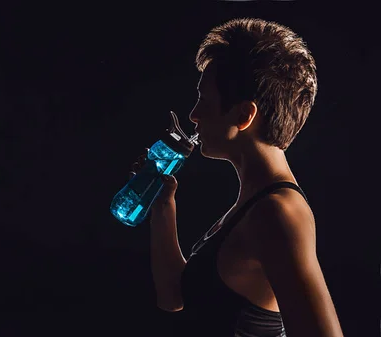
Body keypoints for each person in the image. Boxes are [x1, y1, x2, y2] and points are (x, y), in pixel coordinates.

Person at [130, 18, 344, 336]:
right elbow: (173, 296)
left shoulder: (279, 213)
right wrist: (163, 208)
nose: (193, 115)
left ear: (244, 115)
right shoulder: (253, 203)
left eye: (203, 99)